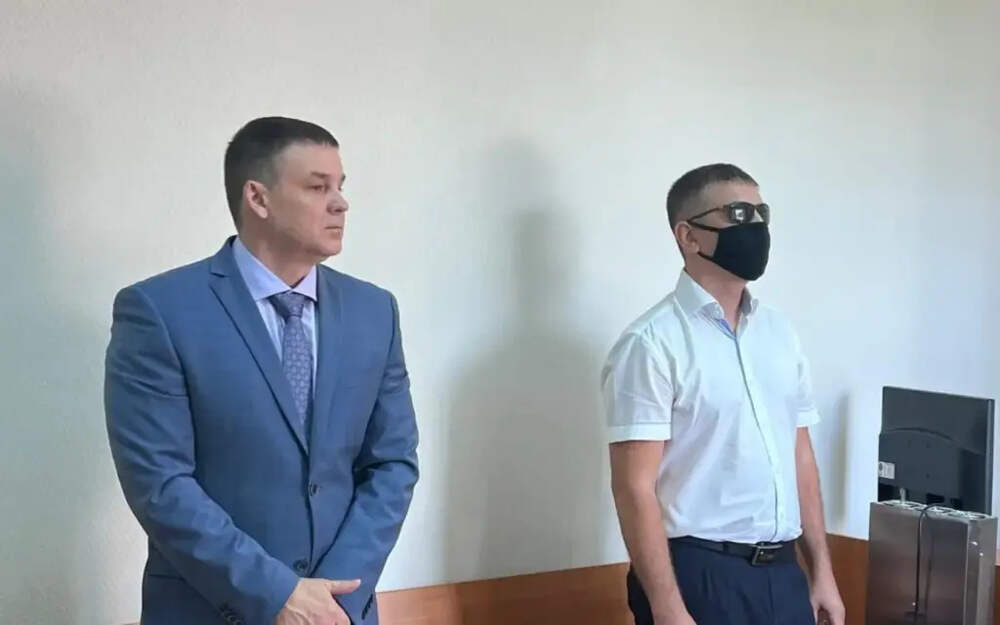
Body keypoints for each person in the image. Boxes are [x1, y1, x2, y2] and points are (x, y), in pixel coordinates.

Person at [105, 116, 419, 625]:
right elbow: (160, 483)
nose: (340, 202)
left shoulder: (374, 311)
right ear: (258, 198)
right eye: (317, 186)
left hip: (339, 612)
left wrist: (333, 597)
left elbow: (393, 463)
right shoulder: (159, 311)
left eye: (340, 186)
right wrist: (277, 595)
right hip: (209, 610)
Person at [602, 164, 844, 625]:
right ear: (689, 236)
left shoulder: (778, 333)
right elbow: (633, 488)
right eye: (737, 214)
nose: (755, 227)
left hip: (783, 572)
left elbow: (800, 456)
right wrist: (668, 608)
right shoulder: (651, 343)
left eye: (761, 213)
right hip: (700, 574)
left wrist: (822, 572)